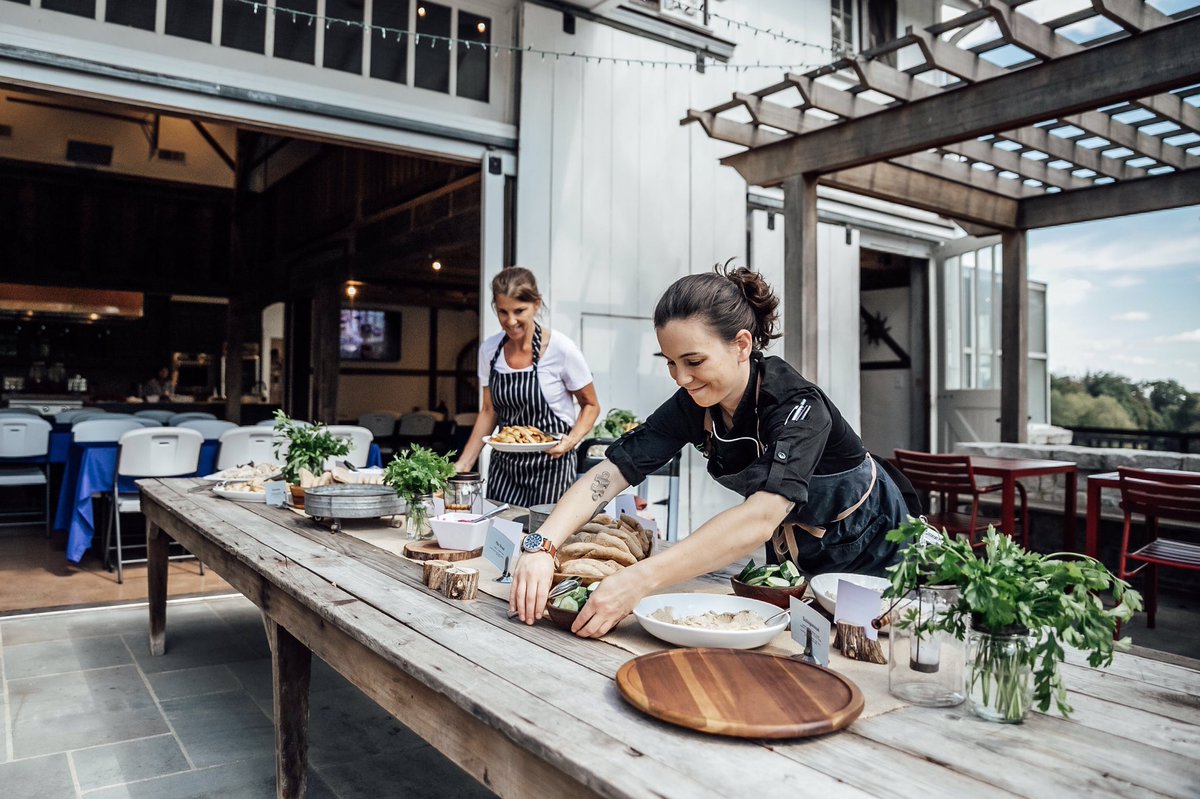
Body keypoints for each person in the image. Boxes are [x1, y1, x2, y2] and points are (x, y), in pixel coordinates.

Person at [510, 264, 911, 636]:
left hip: (878, 556)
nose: (681, 378)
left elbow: (759, 518)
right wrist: (542, 545)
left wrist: (638, 579)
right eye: (670, 363)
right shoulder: (695, 403)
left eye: (694, 361)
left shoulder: (798, 406)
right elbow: (611, 471)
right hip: (799, 559)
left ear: (741, 344)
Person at [455, 267, 602, 507]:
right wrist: (463, 463)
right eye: (503, 312)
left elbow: (591, 405)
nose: (510, 321)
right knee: (499, 537)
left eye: (519, 311)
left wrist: (570, 441)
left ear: (536, 304)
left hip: (551, 468)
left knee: (541, 540)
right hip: (504, 470)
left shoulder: (561, 349)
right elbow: (488, 411)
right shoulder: (489, 350)